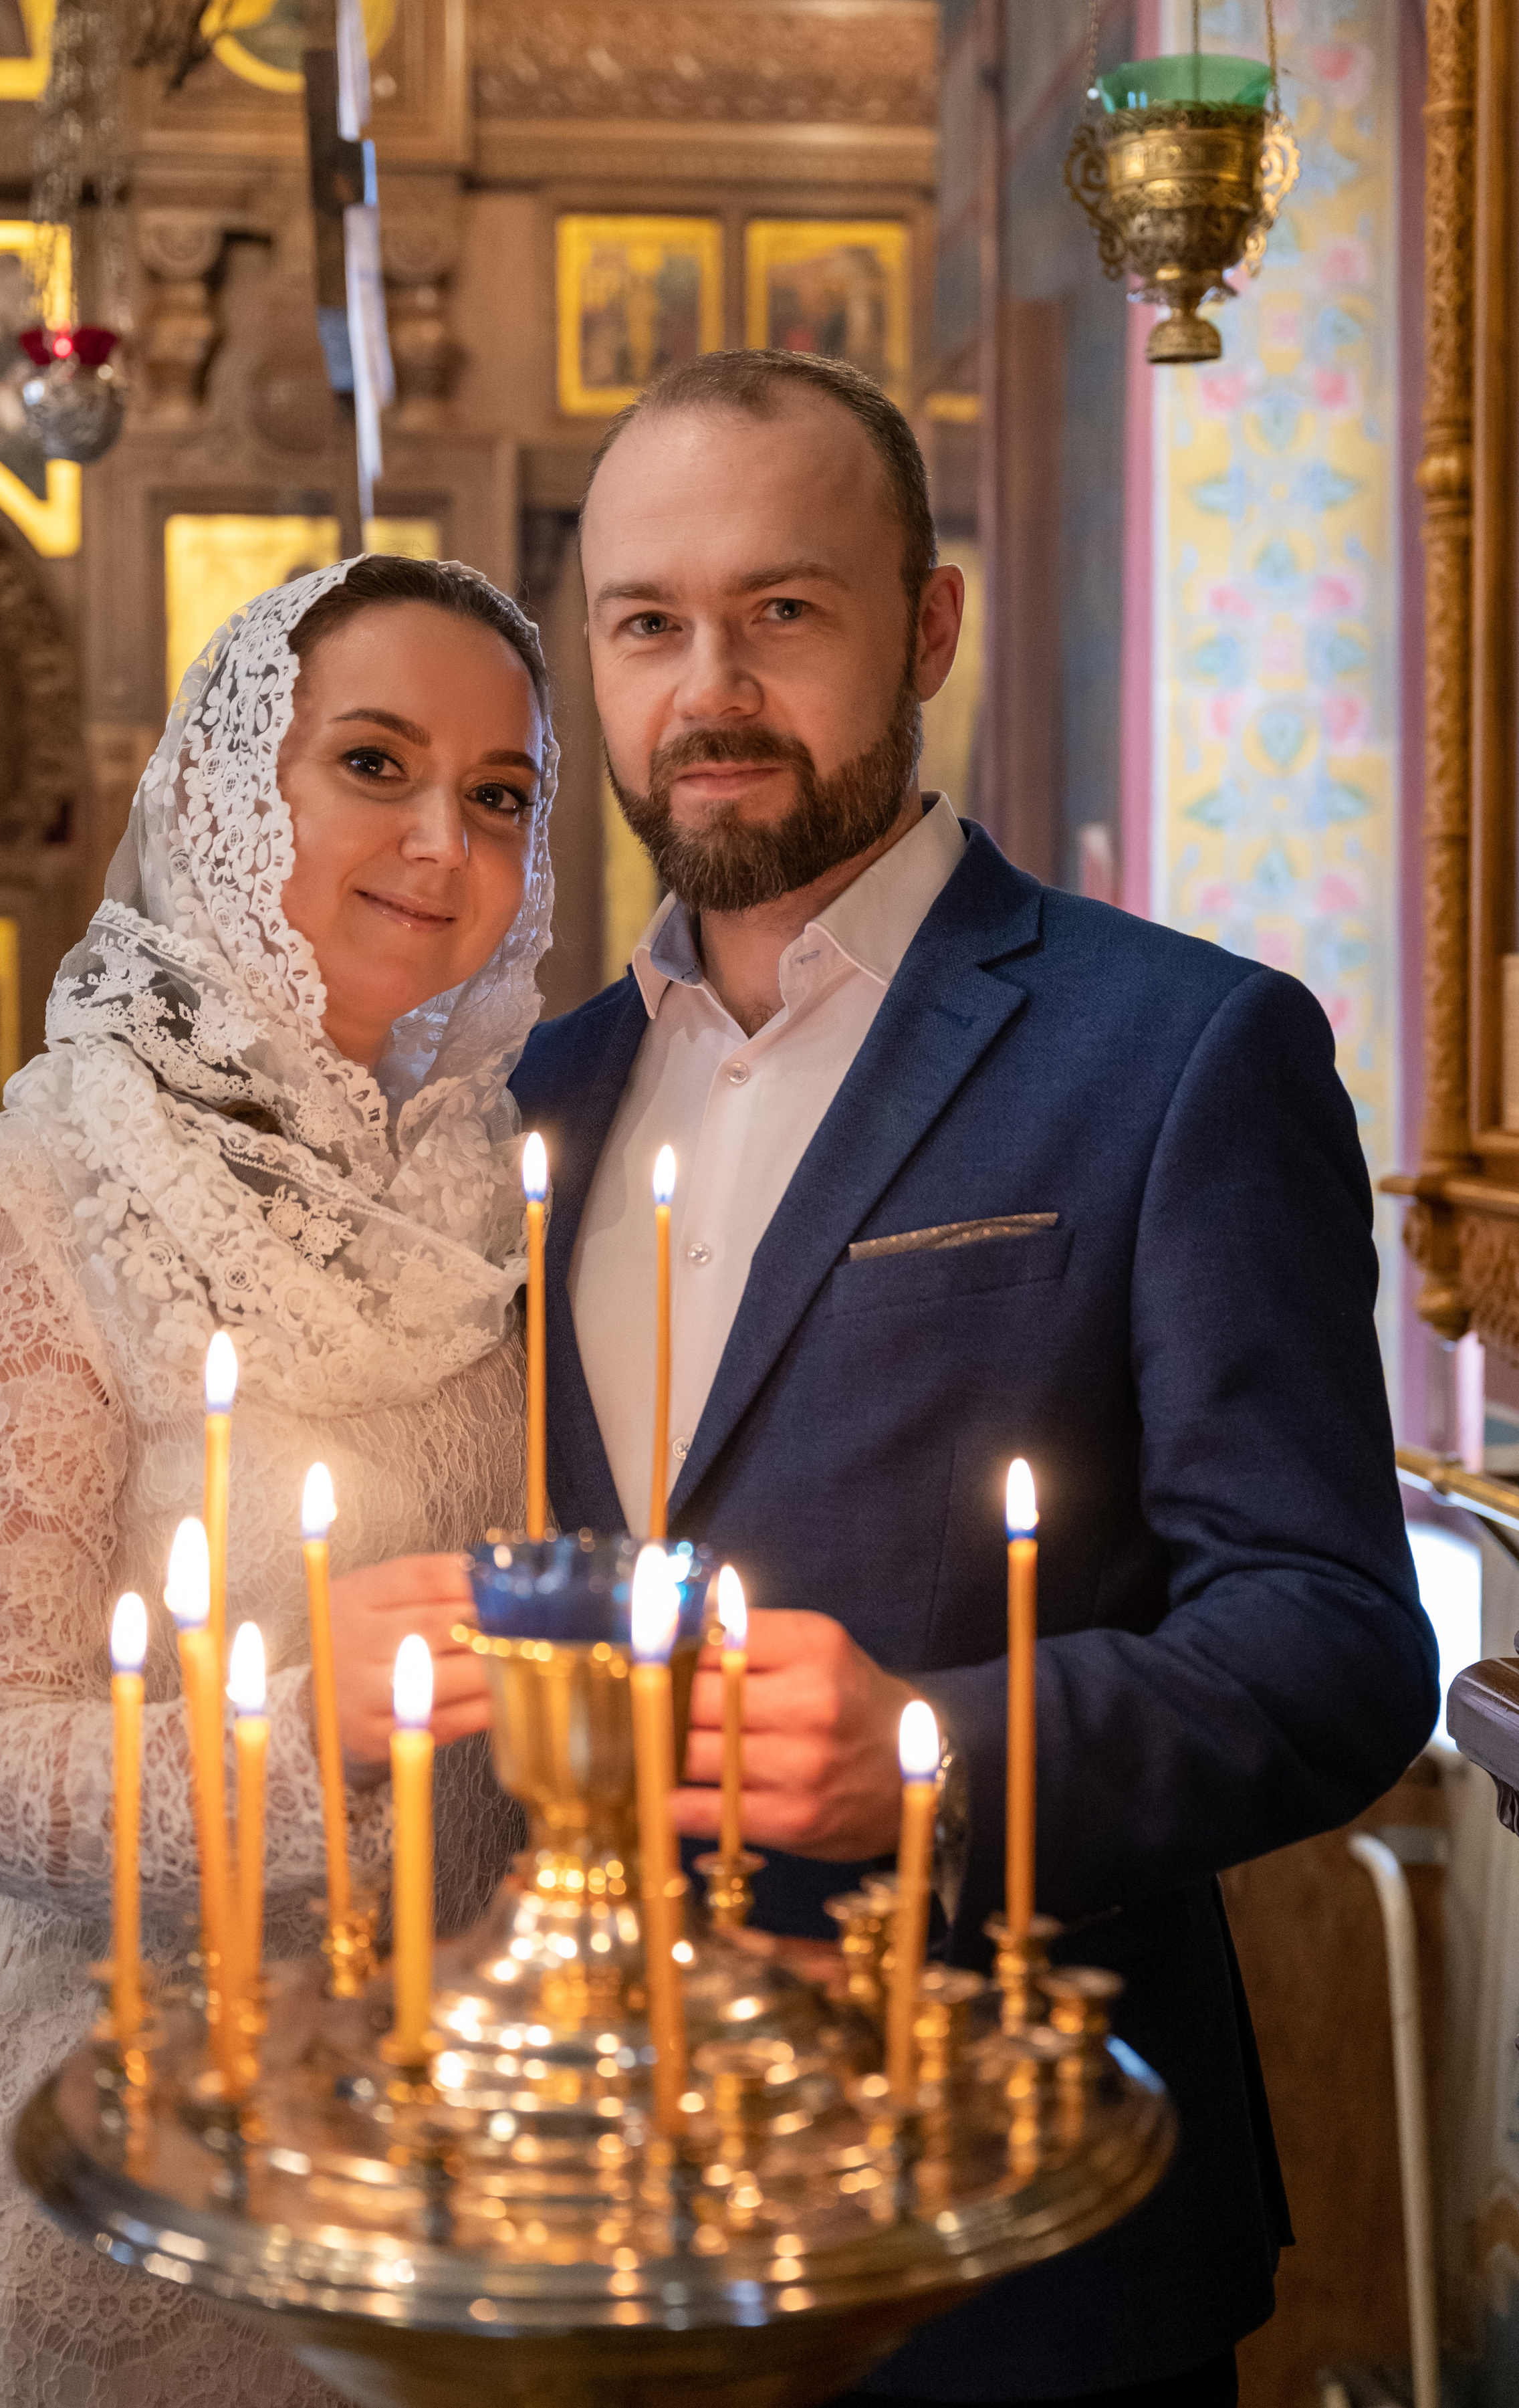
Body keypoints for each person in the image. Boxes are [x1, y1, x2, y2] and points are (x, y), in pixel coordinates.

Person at [509, 350, 1438, 2406]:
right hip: (605, 2219)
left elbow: (1340, 1641)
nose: (710, 687)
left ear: (927, 626)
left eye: (786, 609)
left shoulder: (1184, 1050)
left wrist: (929, 1754)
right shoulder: (538, 1096)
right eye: (650, 624)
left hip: (1022, 2237)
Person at [0, 554, 554, 2408]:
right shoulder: (28, 1196)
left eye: (500, 794)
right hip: (120, 2179)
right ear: (235, 791)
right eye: (375, 763)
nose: (442, 842)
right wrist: (289, 1735)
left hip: (443, 2185)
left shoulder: (497, 1199)